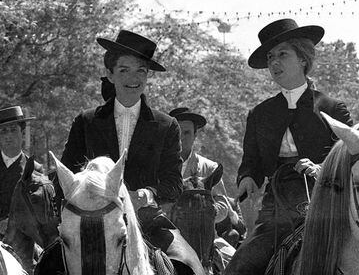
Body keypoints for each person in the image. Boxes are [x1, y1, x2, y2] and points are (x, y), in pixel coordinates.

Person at [59, 30, 203, 274]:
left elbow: (174, 183)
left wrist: (146, 194)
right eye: (124, 70)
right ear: (110, 74)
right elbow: (64, 175)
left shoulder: (167, 125)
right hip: (91, 221)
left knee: (189, 266)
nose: (133, 78)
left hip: (147, 220)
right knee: (47, 264)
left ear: (147, 76)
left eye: (141, 71)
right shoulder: (86, 121)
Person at [224, 18, 353, 275]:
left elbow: (353, 159)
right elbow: (251, 162)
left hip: (327, 208)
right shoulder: (260, 113)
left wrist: (320, 168)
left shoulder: (333, 108)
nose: (274, 62)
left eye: (283, 54)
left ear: (303, 59)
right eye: (271, 57)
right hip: (275, 212)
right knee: (239, 266)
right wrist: (248, 178)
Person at [169, 107, 239, 273]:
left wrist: (205, 213)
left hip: (207, 238)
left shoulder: (210, 168)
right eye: (177, 132)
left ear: (195, 135)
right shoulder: (158, 167)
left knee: (236, 262)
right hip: (169, 236)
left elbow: (223, 204)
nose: (181, 138)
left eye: (186, 133)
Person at [0, 105, 43, 237]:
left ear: (23, 133)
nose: (8, 136)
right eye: (3, 131)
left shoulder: (35, 169)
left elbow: (41, 212)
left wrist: (14, 222)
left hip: (22, 241)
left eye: (13, 130)